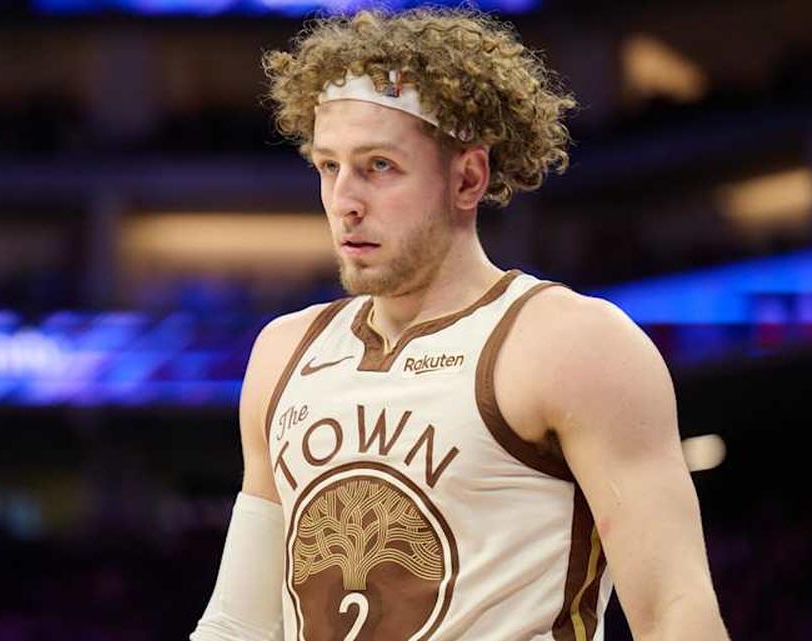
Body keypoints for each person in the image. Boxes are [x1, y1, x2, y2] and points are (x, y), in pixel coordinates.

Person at [191, 8, 729, 641]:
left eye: (378, 166)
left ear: (468, 177)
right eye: (329, 166)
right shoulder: (284, 351)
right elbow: (238, 624)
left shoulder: (571, 343)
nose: (344, 201)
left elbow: (675, 610)